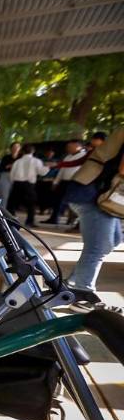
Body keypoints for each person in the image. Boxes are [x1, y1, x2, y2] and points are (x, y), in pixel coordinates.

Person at [65, 127, 124, 308]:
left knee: (113, 240)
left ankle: (71, 284)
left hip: (98, 194)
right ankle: (82, 295)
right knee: (97, 248)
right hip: (93, 194)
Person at [45, 139, 86, 224]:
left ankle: (73, 220)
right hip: (64, 181)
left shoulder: (84, 155)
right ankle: (54, 218)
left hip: (75, 182)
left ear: (78, 146)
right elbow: (62, 170)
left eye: (70, 146)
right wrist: (56, 182)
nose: (68, 148)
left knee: (73, 202)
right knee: (57, 200)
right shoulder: (68, 156)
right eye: (68, 146)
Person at [7, 144, 49, 227]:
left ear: (22, 151)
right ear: (33, 151)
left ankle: (9, 221)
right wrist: (47, 167)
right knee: (31, 204)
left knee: (12, 203)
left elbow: (12, 174)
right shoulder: (36, 161)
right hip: (29, 184)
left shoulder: (17, 161)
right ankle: (29, 221)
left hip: (17, 183)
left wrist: (13, 182)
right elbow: (42, 172)